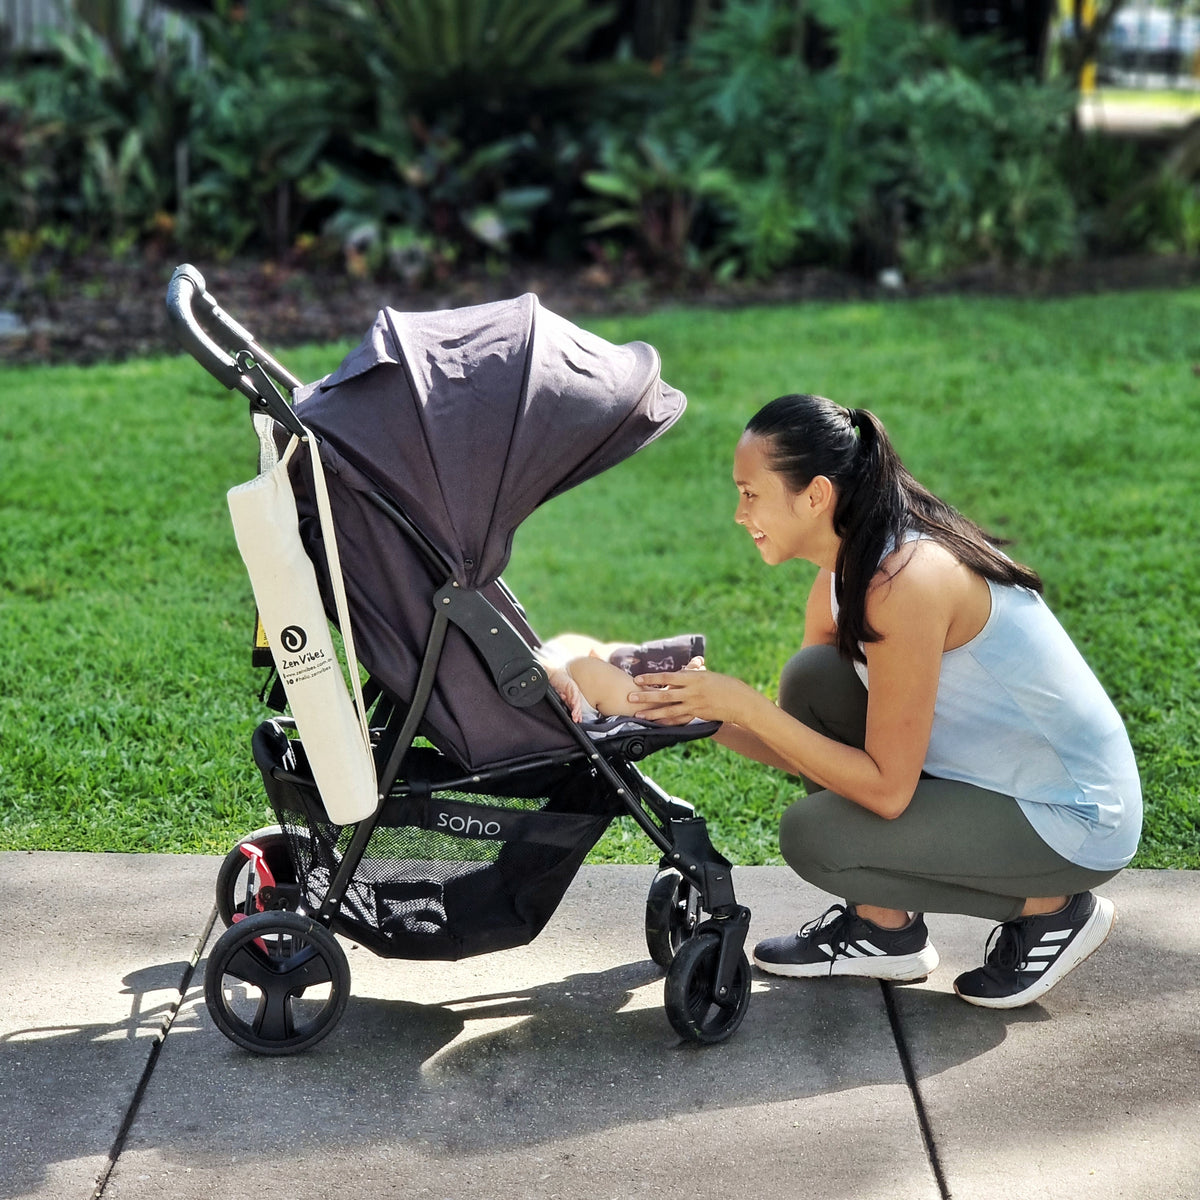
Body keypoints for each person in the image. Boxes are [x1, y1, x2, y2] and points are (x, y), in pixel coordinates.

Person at [625, 393, 1142, 1010]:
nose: (740, 513)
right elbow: (809, 748)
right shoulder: (844, 572)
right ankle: (883, 928)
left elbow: (885, 790)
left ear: (815, 495)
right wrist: (704, 714)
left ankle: (1051, 909)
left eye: (750, 492)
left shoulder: (906, 579)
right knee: (815, 678)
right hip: (994, 783)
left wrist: (741, 703)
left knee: (815, 837)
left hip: (1072, 818)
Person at [538, 632, 705, 723]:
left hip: (544, 662)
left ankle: (623, 661)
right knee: (591, 674)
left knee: (572, 641)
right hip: (546, 686)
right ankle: (664, 702)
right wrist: (553, 674)